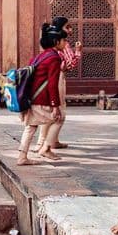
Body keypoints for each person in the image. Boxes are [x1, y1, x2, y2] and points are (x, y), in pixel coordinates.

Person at [16, 26, 65, 165]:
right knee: (59, 119)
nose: (65, 43)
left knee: (31, 126)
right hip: (42, 99)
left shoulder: (37, 57)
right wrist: (55, 105)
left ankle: (22, 157)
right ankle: (46, 148)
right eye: (64, 40)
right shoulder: (54, 58)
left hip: (31, 98)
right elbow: (52, 84)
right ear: (56, 41)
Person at [42, 16, 82, 149]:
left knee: (49, 109)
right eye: (67, 27)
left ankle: (46, 141)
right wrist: (78, 52)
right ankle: (47, 145)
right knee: (59, 112)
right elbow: (70, 64)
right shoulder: (63, 44)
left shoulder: (48, 42)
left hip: (48, 77)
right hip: (58, 77)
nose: (70, 30)